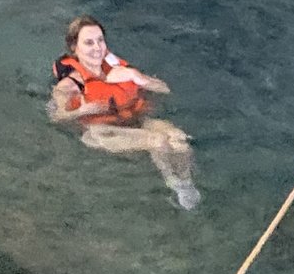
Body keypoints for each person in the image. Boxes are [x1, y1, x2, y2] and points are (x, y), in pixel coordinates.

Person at [51, 15, 203, 208]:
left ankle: (187, 184)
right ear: (74, 48)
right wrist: (83, 110)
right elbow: (56, 117)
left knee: (178, 138)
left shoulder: (116, 68)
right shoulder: (70, 85)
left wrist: (136, 77)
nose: (97, 48)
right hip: (100, 131)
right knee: (157, 141)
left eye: (100, 40)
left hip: (136, 119)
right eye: (89, 43)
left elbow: (164, 89)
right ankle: (175, 185)